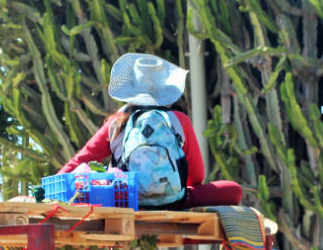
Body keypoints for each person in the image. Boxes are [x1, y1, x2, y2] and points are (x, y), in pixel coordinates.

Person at [60, 53, 242, 208]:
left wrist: (47, 191)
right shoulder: (179, 120)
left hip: (125, 201)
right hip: (174, 201)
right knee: (233, 189)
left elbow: (80, 161)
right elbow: (197, 177)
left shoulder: (115, 123)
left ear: (130, 90)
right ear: (164, 90)